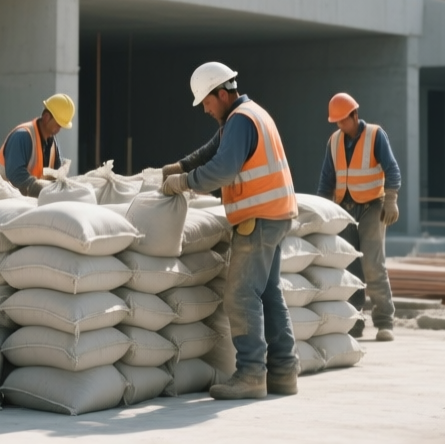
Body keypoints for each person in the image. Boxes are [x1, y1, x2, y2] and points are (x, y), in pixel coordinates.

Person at [161, 61, 299, 400]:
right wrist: (180, 166)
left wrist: (183, 182)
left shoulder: (240, 121)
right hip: (276, 216)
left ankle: (251, 374)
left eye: (206, 102)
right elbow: (212, 151)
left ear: (222, 94)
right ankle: (283, 372)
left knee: (239, 295)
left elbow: (222, 169)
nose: (205, 109)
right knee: (268, 293)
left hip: (258, 220)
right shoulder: (248, 115)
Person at [317, 92, 401, 342]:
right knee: (350, 268)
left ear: (355, 115)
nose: (341, 125)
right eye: (337, 122)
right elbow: (326, 179)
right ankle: (354, 321)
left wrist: (391, 199)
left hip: (372, 207)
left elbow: (392, 168)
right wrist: (323, 209)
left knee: (373, 266)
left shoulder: (376, 135)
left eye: (344, 120)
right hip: (345, 209)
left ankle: (385, 320)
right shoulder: (334, 141)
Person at [0, 93, 75, 197]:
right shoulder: (22, 136)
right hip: (1, 197)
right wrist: (42, 190)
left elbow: (55, 175)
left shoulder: (52, 143)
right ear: (46, 117)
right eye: (58, 124)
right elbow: (16, 175)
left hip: (26, 202)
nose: (59, 129)